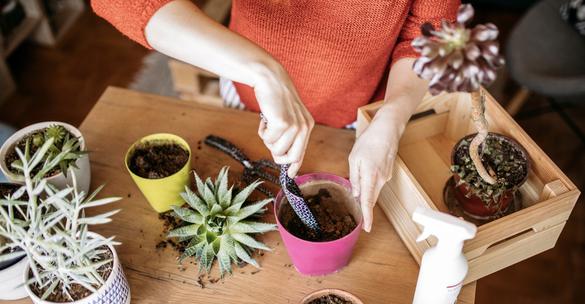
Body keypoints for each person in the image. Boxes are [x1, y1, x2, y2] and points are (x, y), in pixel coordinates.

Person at [91, 0, 459, 232]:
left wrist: (392, 119)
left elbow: (426, 35)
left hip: (359, 118)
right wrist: (264, 71)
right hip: (245, 94)